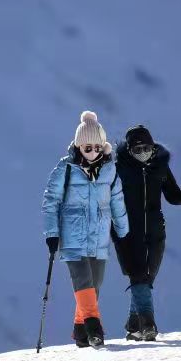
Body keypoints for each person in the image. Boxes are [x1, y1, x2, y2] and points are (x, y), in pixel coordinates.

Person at [42, 111, 130, 348]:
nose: (92, 152)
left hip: (99, 236)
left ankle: (80, 332)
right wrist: (52, 233)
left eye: (97, 148)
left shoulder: (110, 170)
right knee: (83, 280)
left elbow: (117, 200)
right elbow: (51, 201)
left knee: (95, 283)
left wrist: (123, 229)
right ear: (79, 146)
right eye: (87, 148)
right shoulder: (66, 169)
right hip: (72, 236)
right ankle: (94, 328)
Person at [113, 124, 181, 341]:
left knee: (148, 276)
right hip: (127, 231)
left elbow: (171, 194)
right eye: (137, 150)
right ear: (129, 151)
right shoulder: (119, 169)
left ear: (153, 147)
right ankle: (148, 325)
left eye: (146, 149)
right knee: (138, 275)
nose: (142, 154)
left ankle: (134, 324)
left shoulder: (159, 166)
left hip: (156, 229)